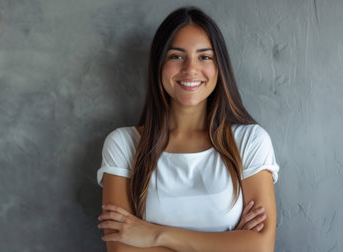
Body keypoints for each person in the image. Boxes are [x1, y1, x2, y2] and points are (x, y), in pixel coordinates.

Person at [96, 6, 279, 252]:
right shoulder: (123, 144)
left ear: (219, 67)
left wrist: (156, 235)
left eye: (204, 56)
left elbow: (261, 247)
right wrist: (231, 243)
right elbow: (121, 249)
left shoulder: (250, 141)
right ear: (159, 65)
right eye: (176, 56)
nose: (190, 69)